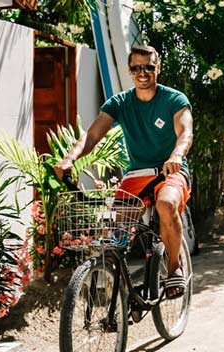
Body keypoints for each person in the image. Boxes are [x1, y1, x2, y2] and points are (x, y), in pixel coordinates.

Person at [54, 45, 193, 298]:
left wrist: (176, 155)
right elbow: (93, 135)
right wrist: (70, 159)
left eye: (149, 67)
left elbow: (185, 132)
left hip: (169, 170)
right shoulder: (120, 102)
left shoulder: (174, 99)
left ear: (157, 68)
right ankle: (120, 284)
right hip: (138, 174)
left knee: (165, 204)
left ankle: (174, 268)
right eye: (136, 68)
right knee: (117, 231)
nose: (143, 73)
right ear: (129, 71)